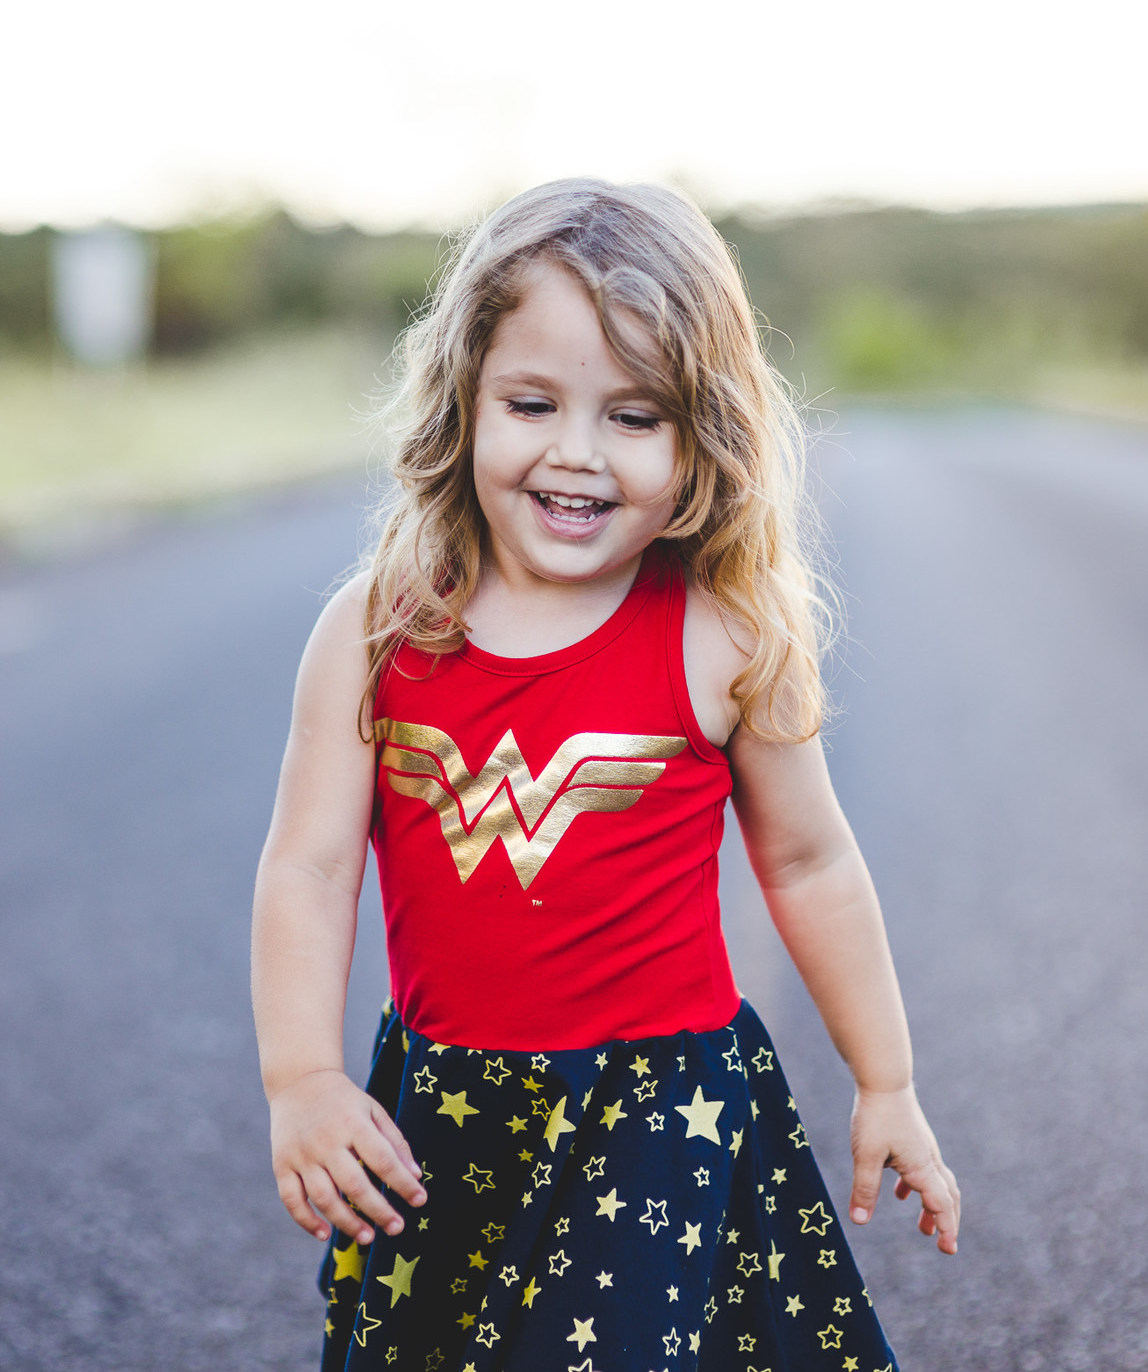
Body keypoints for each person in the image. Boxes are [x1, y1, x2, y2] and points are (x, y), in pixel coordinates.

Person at [251, 178, 960, 1372]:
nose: (574, 453)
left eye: (634, 417)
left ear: (703, 436)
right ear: (463, 400)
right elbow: (309, 868)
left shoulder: (721, 636)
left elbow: (809, 861)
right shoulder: (374, 631)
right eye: (531, 403)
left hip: (660, 1119)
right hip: (447, 1116)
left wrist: (884, 1081)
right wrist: (304, 1081)